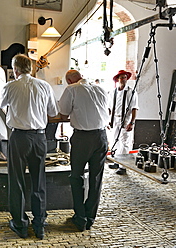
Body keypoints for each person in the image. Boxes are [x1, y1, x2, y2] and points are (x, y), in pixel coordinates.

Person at [0, 54, 59, 239]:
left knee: (17, 180)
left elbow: (3, 106)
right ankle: (40, 225)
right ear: (31, 68)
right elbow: (53, 112)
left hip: (18, 138)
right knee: (38, 181)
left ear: (15, 69)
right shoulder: (44, 85)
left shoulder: (10, 86)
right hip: (40, 138)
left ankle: (20, 224)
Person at [58, 70, 109, 232]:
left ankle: (80, 218)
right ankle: (90, 217)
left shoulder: (72, 89)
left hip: (83, 139)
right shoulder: (100, 88)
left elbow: (63, 114)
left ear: (69, 80)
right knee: (96, 178)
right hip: (101, 137)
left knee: (76, 176)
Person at [109, 70, 138, 154]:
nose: (124, 79)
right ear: (118, 79)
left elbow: (134, 108)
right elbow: (109, 108)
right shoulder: (113, 92)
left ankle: (123, 165)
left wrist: (132, 122)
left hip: (126, 120)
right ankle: (116, 161)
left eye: (125, 77)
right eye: (121, 77)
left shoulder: (131, 92)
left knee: (125, 142)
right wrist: (108, 120)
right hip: (114, 120)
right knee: (114, 140)